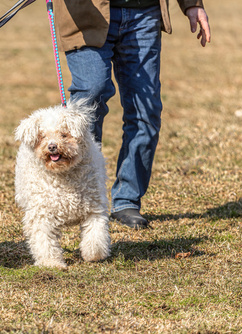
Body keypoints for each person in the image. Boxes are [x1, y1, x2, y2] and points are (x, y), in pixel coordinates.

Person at [51, 0, 211, 229]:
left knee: (146, 110)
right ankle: (78, 193)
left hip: (144, 13)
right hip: (87, 13)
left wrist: (192, 3)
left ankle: (126, 200)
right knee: (90, 94)